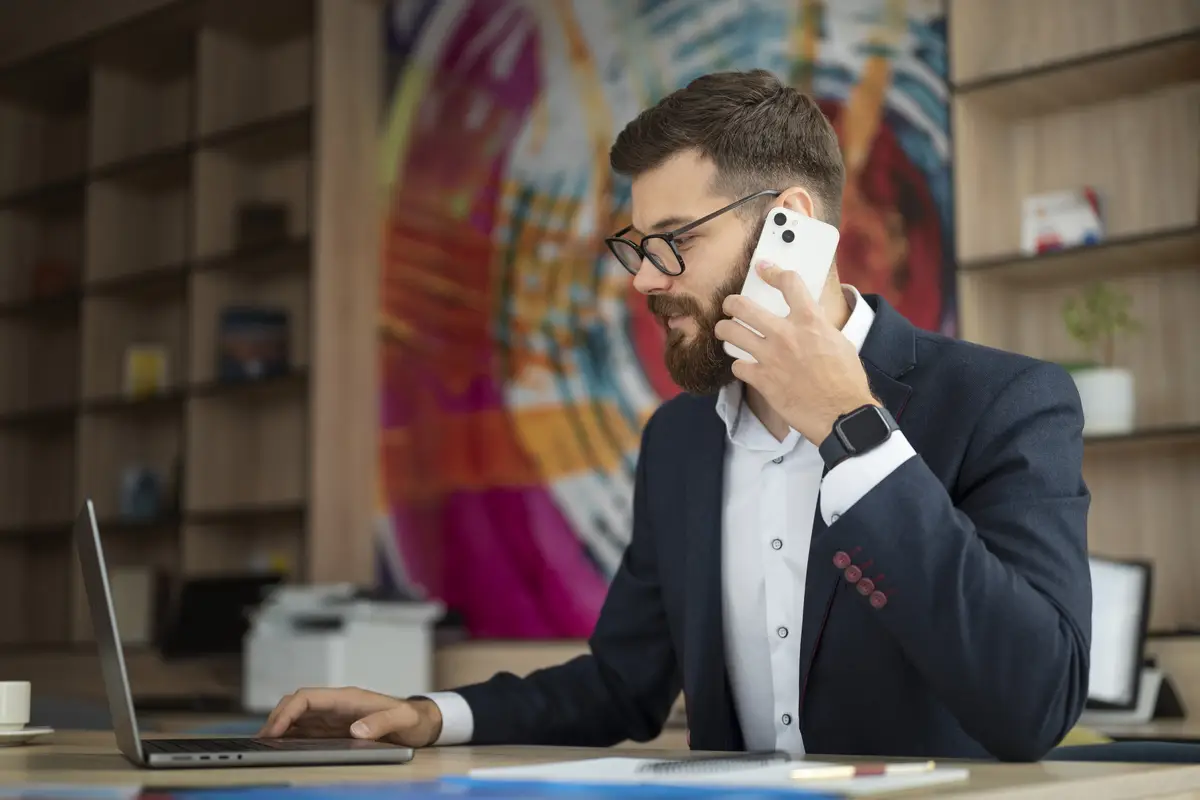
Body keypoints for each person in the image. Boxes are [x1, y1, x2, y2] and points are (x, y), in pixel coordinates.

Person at [258, 69, 1092, 762]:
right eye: (637, 247)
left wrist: (852, 427)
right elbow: (625, 682)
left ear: (788, 228)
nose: (644, 282)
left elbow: (1032, 705)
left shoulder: (1005, 404)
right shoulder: (681, 440)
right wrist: (432, 717)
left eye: (673, 242)